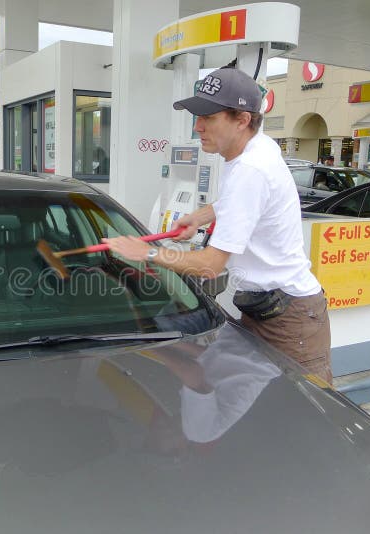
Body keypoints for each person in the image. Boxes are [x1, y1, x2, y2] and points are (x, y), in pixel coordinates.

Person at [103, 67, 332, 384]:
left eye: (208, 117)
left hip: (290, 319)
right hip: (266, 308)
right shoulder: (254, 149)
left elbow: (210, 267)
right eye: (196, 116)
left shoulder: (250, 169)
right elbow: (245, 202)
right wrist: (200, 216)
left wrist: (147, 254)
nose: (197, 127)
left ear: (242, 120)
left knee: (307, 411)